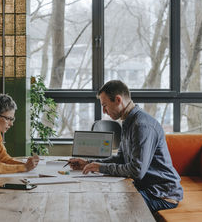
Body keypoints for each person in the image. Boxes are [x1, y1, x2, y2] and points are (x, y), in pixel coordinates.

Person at [68, 80, 183, 213]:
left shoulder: (142, 126)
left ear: (118, 100)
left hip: (161, 194)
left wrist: (101, 168)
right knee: (99, 198)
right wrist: (89, 163)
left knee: (112, 208)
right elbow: (121, 159)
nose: (104, 111)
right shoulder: (128, 122)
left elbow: (136, 171)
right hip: (145, 188)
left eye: (105, 105)